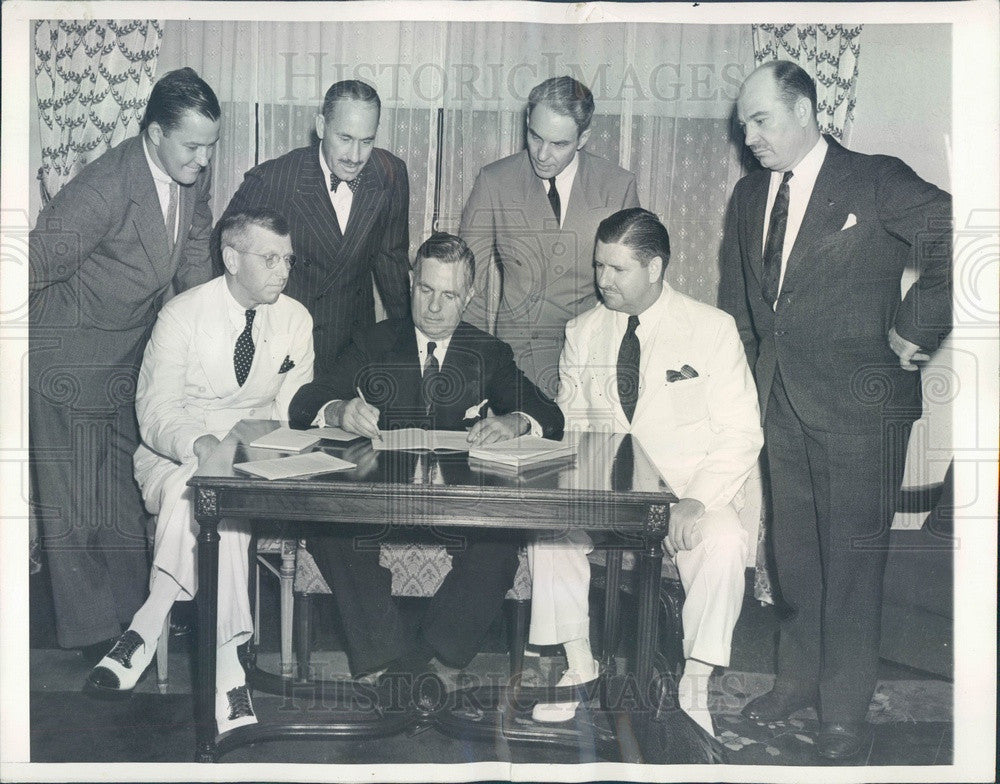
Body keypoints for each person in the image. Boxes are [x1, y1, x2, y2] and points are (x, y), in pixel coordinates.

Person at [719, 61, 952, 759]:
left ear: (805, 111)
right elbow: (741, 306)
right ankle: (796, 682)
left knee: (850, 563)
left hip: (862, 408)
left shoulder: (874, 178)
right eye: (744, 124)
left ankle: (845, 711)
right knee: (794, 559)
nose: (750, 136)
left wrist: (917, 325)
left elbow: (964, 237)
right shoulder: (746, 196)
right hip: (779, 403)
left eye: (761, 120)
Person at [288, 233, 563, 693]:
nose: (435, 307)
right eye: (425, 290)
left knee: (505, 536)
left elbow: (549, 416)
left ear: (469, 296)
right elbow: (304, 403)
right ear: (411, 282)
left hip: (457, 510)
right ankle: (385, 658)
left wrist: (515, 420)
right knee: (326, 526)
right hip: (378, 503)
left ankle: (439, 659)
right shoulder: (372, 341)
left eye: (450, 295)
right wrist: (339, 410)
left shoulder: (487, 352)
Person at [528, 208, 763, 734]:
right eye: (598, 266)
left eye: (617, 269)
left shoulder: (712, 329)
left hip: (690, 495)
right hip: (609, 496)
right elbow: (574, 429)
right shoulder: (582, 331)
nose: (602, 280)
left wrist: (696, 501)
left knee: (724, 542)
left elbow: (742, 431)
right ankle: (579, 665)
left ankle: (695, 682)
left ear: (655, 268)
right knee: (550, 533)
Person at [85, 208, 314, 732]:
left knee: (221, 496)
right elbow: (157, 410)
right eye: (270, 258)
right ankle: (230, 667)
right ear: (231, 259)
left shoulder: (295, 319)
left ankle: (145, 624)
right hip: (172, 455)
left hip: (256, 461)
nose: (283, 270)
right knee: (208, 496)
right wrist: (205, 445)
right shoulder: (182, 315)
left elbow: (290, 413)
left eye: (288, 259)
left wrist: (238, 452)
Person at [29, 67, 221, 660]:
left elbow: (192, 270)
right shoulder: (106, 186)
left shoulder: (190, 178)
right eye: (192, 146)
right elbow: (30, 266)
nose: (202, 158)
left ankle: (136, 622)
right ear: (155, 132)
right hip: (67, 356)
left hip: (126, 359)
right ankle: (92, 638)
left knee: (118, 497)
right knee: (78, 504)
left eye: (210, 146)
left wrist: (208, 341)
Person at [459, 75, 639, 398]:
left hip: (591, 361)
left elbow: (629, 294)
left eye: (559, 144)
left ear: (583, 137)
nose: (542, 154)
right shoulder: (494, 182)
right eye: (535, 136)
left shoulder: (617, 186)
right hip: (514, 362)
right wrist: (477, 369)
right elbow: (470, 288)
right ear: (527, 121)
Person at [218, 79, 410, 375]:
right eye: (345, 138)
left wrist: (406, 338)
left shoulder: (390, 173)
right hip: (287, 342)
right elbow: (224, 246)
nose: (356, 156)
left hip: (355, 344)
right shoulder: (275, 179)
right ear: (321, 127)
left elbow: (391, 260)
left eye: (367, 141)